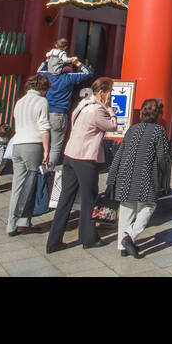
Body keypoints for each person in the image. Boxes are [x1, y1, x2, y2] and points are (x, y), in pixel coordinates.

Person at [47, 77, 118, 253]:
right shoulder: (97, 110)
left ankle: (54, 241)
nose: (110, 96)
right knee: (89, 198)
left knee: (66, 198)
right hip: (85, 157)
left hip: (70, 154)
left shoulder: (83, 104)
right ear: (102, 92)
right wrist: (111, 110)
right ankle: (88, 237)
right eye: (110, 92)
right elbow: (112, 126)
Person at [106, 98, 172, 259]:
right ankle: (129, 236)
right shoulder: (159, 131)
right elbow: (163, 157)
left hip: (125, 174)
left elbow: (120, 154)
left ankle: (122, 247)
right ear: (157, 115)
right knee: (149, 205)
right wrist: (164, 175)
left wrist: (111, 178)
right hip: (146, 175)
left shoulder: (132, 129)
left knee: (127, 209)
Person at [6, 73, 51, 236]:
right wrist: (46, 149)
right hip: (33, 143)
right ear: (43, 88)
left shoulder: (20, 102)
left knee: (17, 185)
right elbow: (44, 127)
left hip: (17, 144)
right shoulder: (42, 101)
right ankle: (24, 220)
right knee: (31, 184)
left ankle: (11, 224)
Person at [38, 44, 93, 168]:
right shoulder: (68, 77)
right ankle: (48, 169)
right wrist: (78, 63)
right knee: (56, 145)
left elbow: (39, 71)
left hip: (45, 113)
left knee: (43, 141)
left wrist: (46, 61)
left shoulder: (47, 75)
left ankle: (40, 165)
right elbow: (88, 72)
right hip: (59, 114)